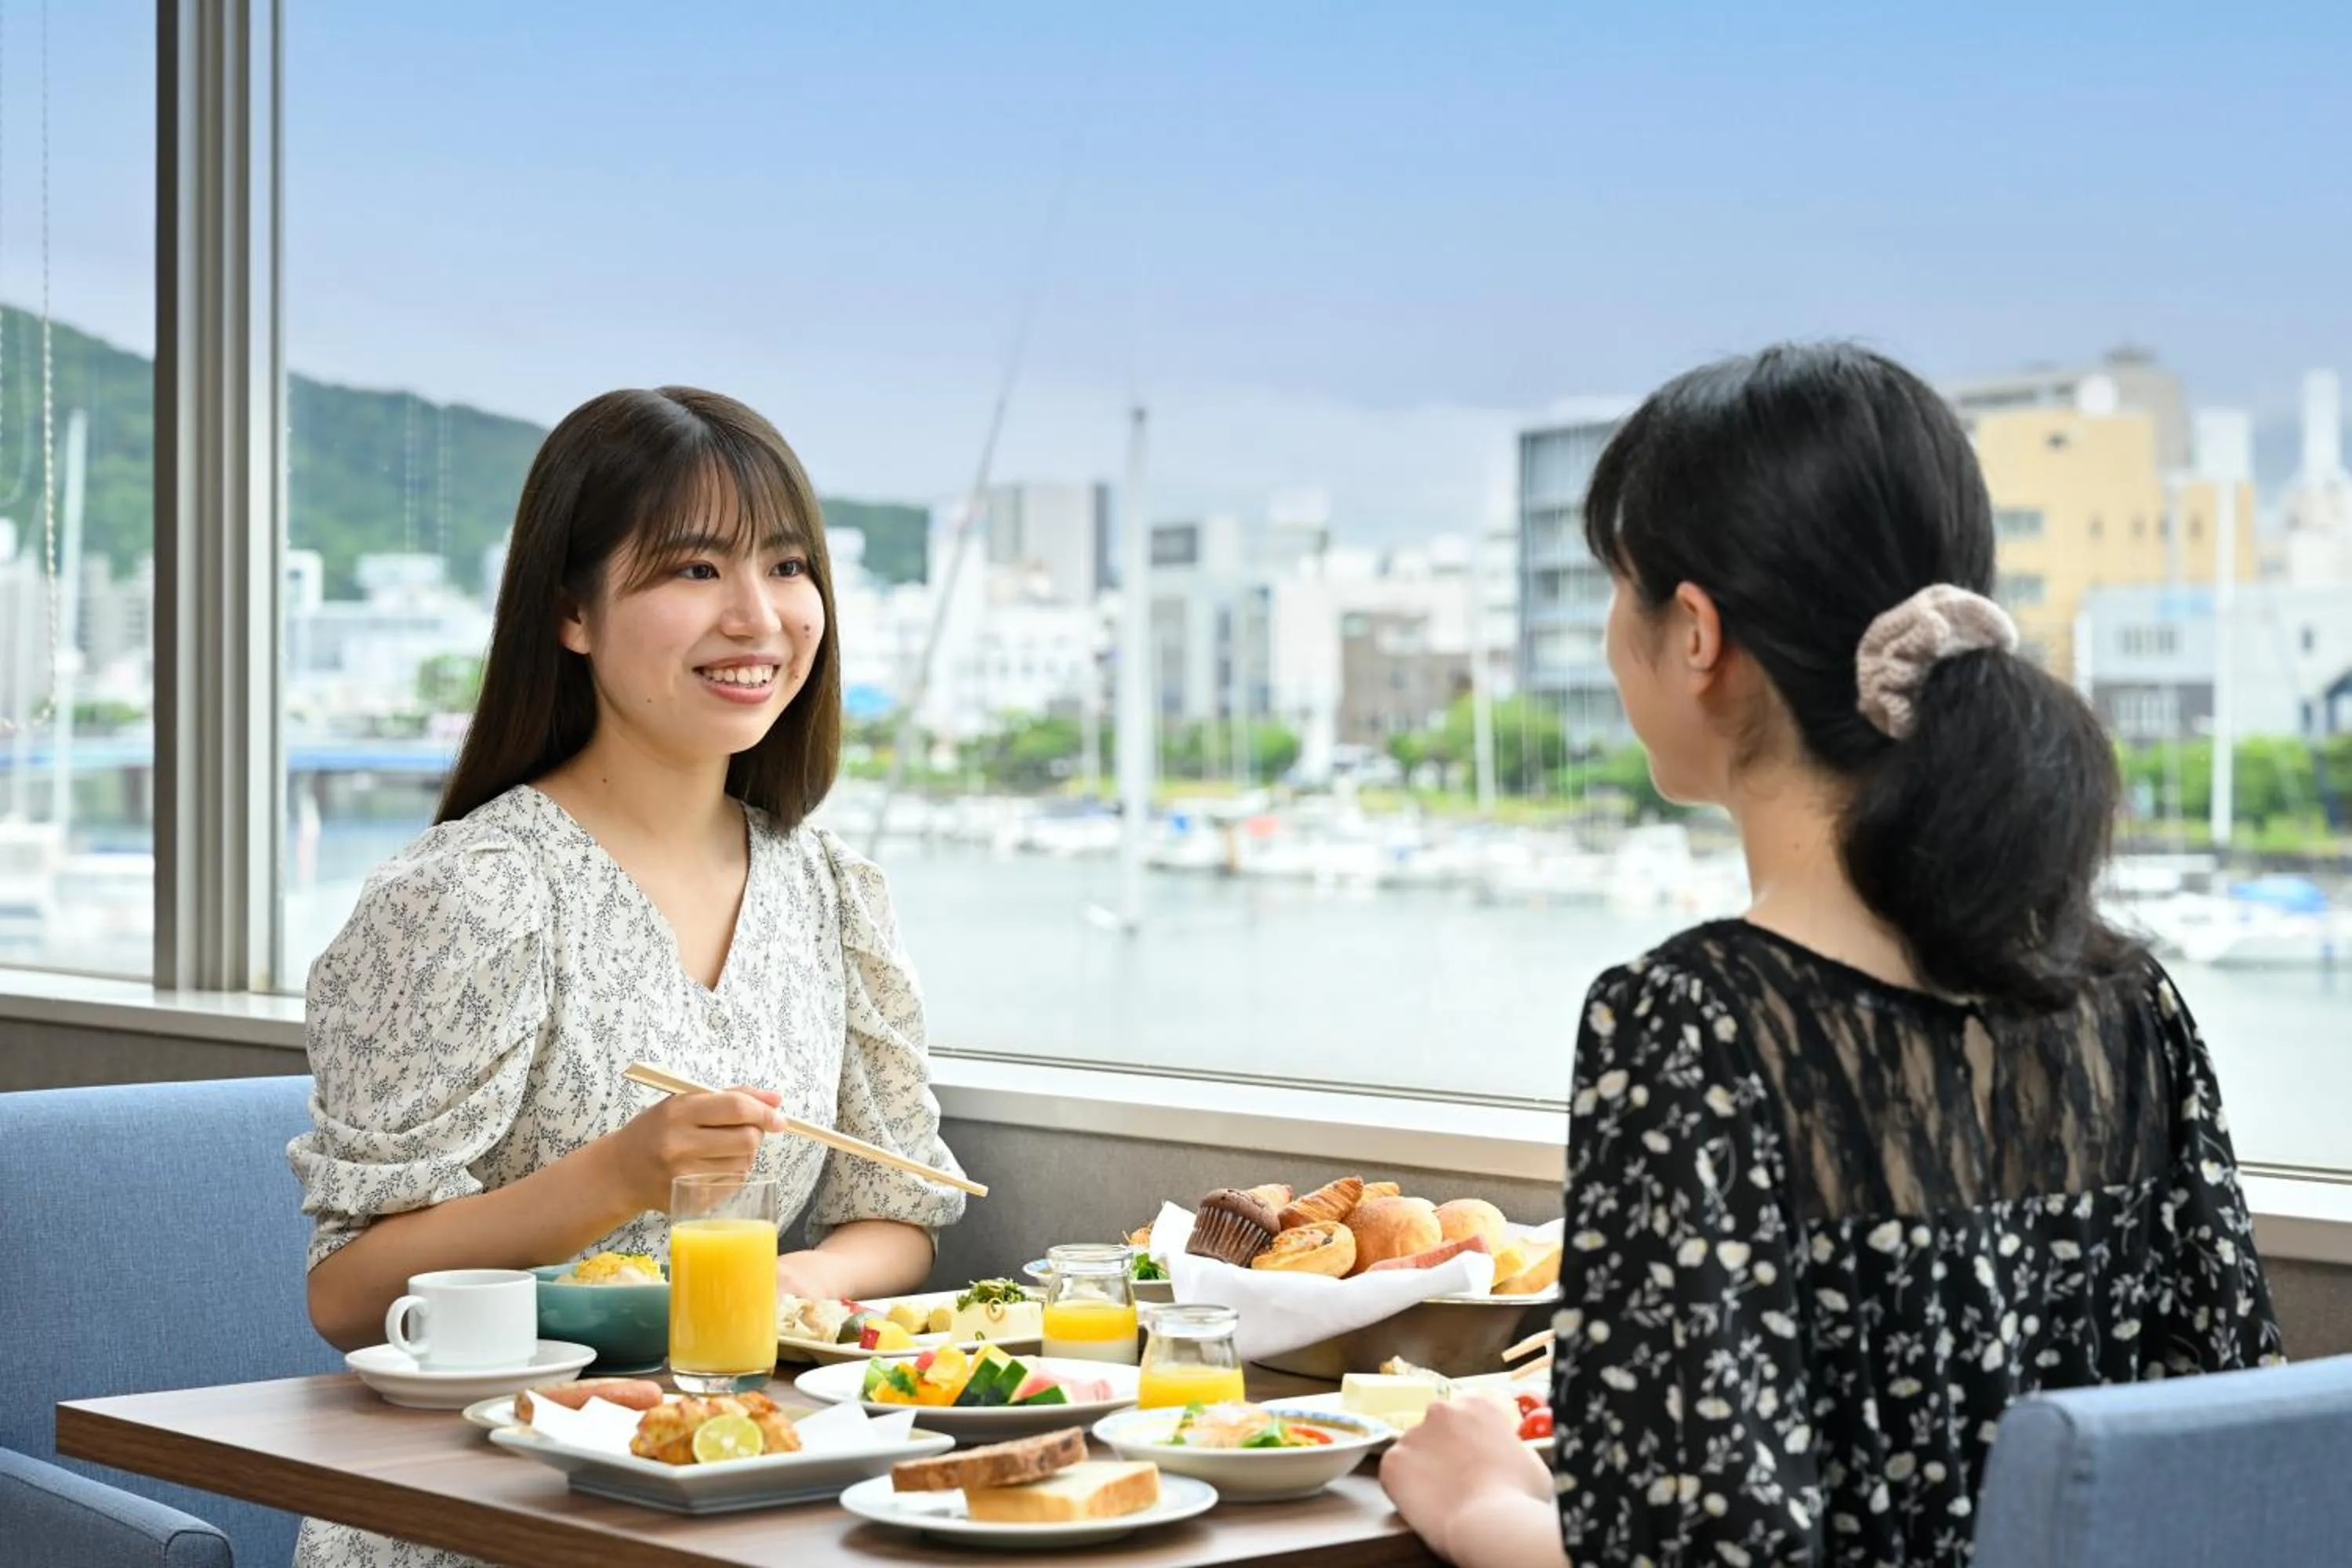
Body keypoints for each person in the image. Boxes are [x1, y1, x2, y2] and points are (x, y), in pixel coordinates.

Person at [1381, 343, 2283, 1566]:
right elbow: (2231, 1474)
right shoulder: (2132, 1009)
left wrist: (1488, 1506)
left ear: (1694, 632)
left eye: (1618, 587)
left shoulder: (1691, 1025)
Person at [286, 387, 966, 1567]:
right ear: (572, 614)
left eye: (789, 566)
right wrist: (619, 1175)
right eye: (694, 571)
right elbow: (350, 1293)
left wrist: (789, 1281)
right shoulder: (478, 895)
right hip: (490, 1510)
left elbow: (894, 1216)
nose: (759, 618)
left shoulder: (828, 893)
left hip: (743, 1484)